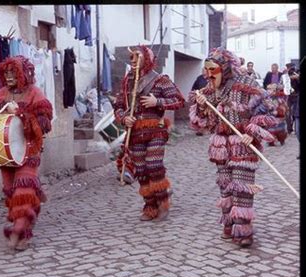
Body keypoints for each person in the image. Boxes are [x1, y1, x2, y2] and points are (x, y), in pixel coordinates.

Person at [189, 47, 277, 248]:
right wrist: (202, 105)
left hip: (242, 144)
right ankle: (228, 225)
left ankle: (243, 230)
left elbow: (271, 109)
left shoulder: (246, 85)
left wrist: (252, 131)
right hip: (220, 145)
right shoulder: (209, 90)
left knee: (241, 187)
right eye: (207, 70)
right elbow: (200, 122)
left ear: (225, 68)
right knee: (226, 186)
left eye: (213, 70)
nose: (208, 75)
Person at [0, 56, 53, 251]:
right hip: (6, 152)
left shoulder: (35, 94)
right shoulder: (0, 95)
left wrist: (22, 115)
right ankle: (32, 203)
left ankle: (19, 232)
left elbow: (45, 124)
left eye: (12, 73)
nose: (8, 77)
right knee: (10, 191)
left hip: (28, 150)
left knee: (23, 191)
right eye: (5, 73)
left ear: (22, 73)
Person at [113, 45, 185, 221]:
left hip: (155, 131)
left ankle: (162, 201)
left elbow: (178, 100)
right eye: (131, 58)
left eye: (138, 57)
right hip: (136, 132)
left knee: (153, 165)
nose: (133, 61)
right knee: (141, 170)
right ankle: (150, 205)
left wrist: (157, 101)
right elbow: (119, 106)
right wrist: (124, 119)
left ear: (147, 58)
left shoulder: (160, 80)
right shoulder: (127, 81)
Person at [191, 67, 209, 136]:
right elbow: (194, 87)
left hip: (208, 100)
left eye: (204, 70)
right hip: (199, 99)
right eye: (202, 70)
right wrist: (194, 95)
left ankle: (205, 129)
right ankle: (200, 129)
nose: (203, 71)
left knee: (206, 115)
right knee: (199, 114)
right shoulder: (199, 78)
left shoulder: (211, 78)